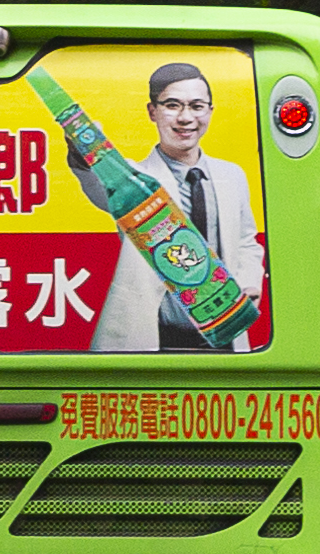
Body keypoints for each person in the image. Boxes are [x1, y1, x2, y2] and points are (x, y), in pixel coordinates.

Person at [88, 58, 266, 354]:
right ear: (152, 111)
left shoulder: (232, 175)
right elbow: (95, 184)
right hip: (153, 339)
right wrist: (83, 156)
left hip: (224, 334)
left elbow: (246, 241)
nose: (186, 118)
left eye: (197, 106)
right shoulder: (134, 178)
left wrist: (249, 282)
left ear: (210, 111)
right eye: (172, 105)